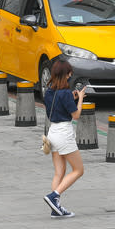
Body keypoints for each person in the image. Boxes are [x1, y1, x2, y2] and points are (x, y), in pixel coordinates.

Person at [42, 59, 86, 218]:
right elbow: (76, 115)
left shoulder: (49, 92)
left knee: (59, 172)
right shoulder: (66, 93)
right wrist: (80, 98)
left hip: (52, 132)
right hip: (64, 133)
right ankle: (54, 196)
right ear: (66, 74)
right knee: (79, 170)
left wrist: (71, 98)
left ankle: (55, 208)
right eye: (69, 73)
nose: (70, 76)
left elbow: (58, 107)